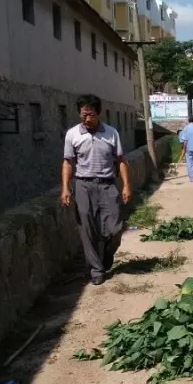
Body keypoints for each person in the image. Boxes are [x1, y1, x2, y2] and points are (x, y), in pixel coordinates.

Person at [61, 94, 131, 285]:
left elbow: (121, 161)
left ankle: (106, 257)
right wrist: (66, 188)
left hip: (108, 184)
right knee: (87, 230)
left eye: (91, 115)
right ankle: (96, 270)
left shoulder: (111, 133)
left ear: (98, 113)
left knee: (116, 228)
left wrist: (126, 185)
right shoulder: (72, 134)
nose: (87, 118)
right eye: (83, 115)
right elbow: (68, 162)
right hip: (83, 185)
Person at [178, 114, 193, 182]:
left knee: (190, 163)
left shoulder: (186, 128)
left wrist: (184, 148)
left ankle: (192, 178)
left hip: (189, 148)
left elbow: (185, 140)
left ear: (188, 120)